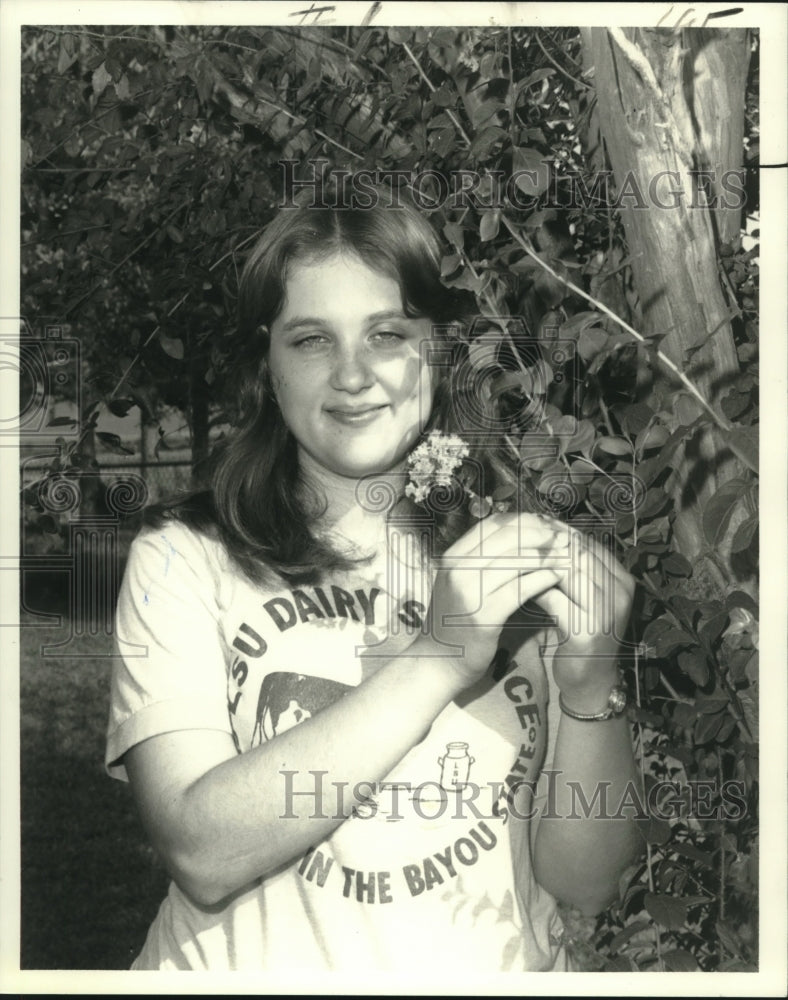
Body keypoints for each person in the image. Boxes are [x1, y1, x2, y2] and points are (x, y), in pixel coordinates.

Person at [106, 196, 643, 974]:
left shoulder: (520, 550)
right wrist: (440, 658)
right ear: (269, 361)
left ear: (440, 349)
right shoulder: (184, 556)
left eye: (388, 334)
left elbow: (589, 884)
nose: (353, 375)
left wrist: (594, 687)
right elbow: (201, 849)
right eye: (312, 340)